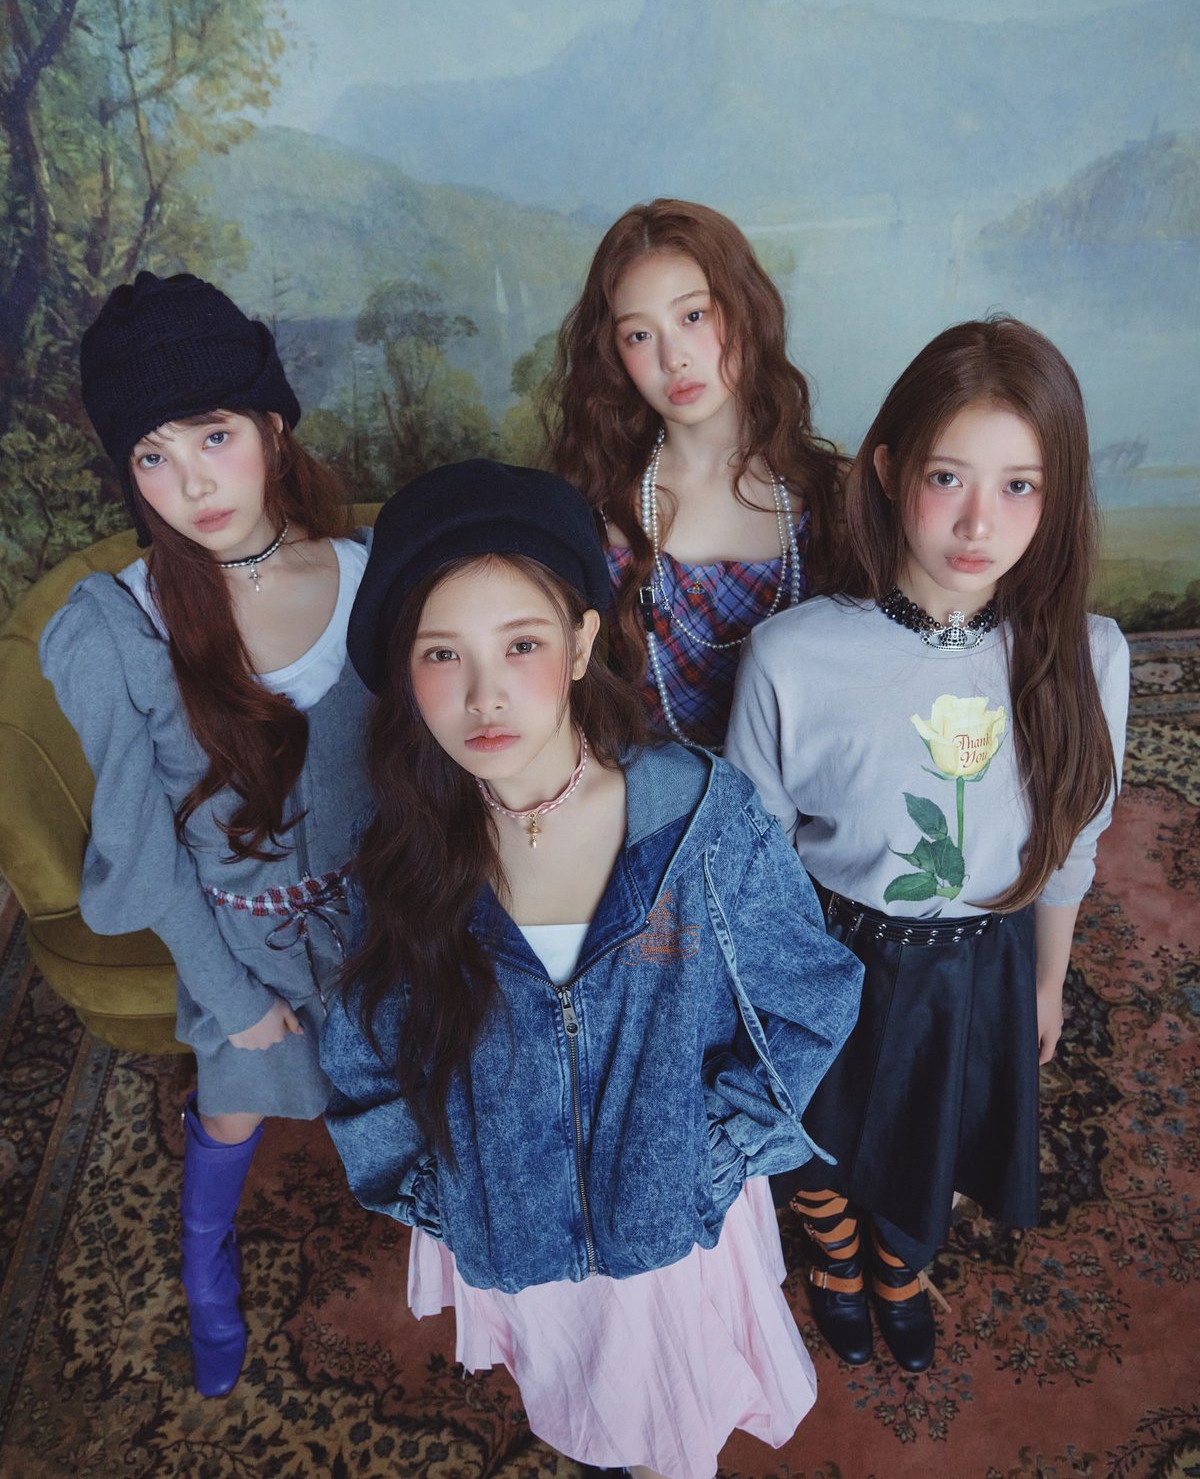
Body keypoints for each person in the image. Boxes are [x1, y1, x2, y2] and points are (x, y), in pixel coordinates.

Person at [320, 460, 864, 1479]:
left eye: (520, 644)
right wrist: (445, 1196)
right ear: (404, 670)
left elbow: (809, 997)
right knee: (583, 1401)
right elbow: (363, 1058)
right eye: (442, 653)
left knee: (676, 1427)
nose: (483, 694)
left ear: (578, 643)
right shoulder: (397, 862)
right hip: (518, 1234)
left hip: (668, 1235)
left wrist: (713, 1155)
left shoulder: (700, 823)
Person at [725, 316, 1130, 1374]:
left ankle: (898, 1270)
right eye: (949, 476)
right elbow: (757, 858)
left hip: (981, 968)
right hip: (829, 957)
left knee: (934, 1149)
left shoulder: (1089, 658)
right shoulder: (792, 656)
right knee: (817, 1140)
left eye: (1020, 486)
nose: (978, 522)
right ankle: (833, 1254)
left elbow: (1073, 845)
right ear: (888, 469)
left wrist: (1047, 981)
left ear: (1057, 496)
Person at [39, 271, 373, 1397]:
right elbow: (141, 854)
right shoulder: (118, 632)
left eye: (214, 436)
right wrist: (235, 1000)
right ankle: (205, 1272)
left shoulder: (376, 579)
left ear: (273, 424)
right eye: (152, 455)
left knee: (431, 1095)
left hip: (389, 929)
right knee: (235, 1108)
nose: (190, 483)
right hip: (242, 946)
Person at [546, 197, 841, 750]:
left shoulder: (836, 500)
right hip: (648, 795)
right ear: (613, 354)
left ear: (745, 310)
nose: (673, 358)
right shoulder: (591, 510)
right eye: (639, 335)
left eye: (693, 316)